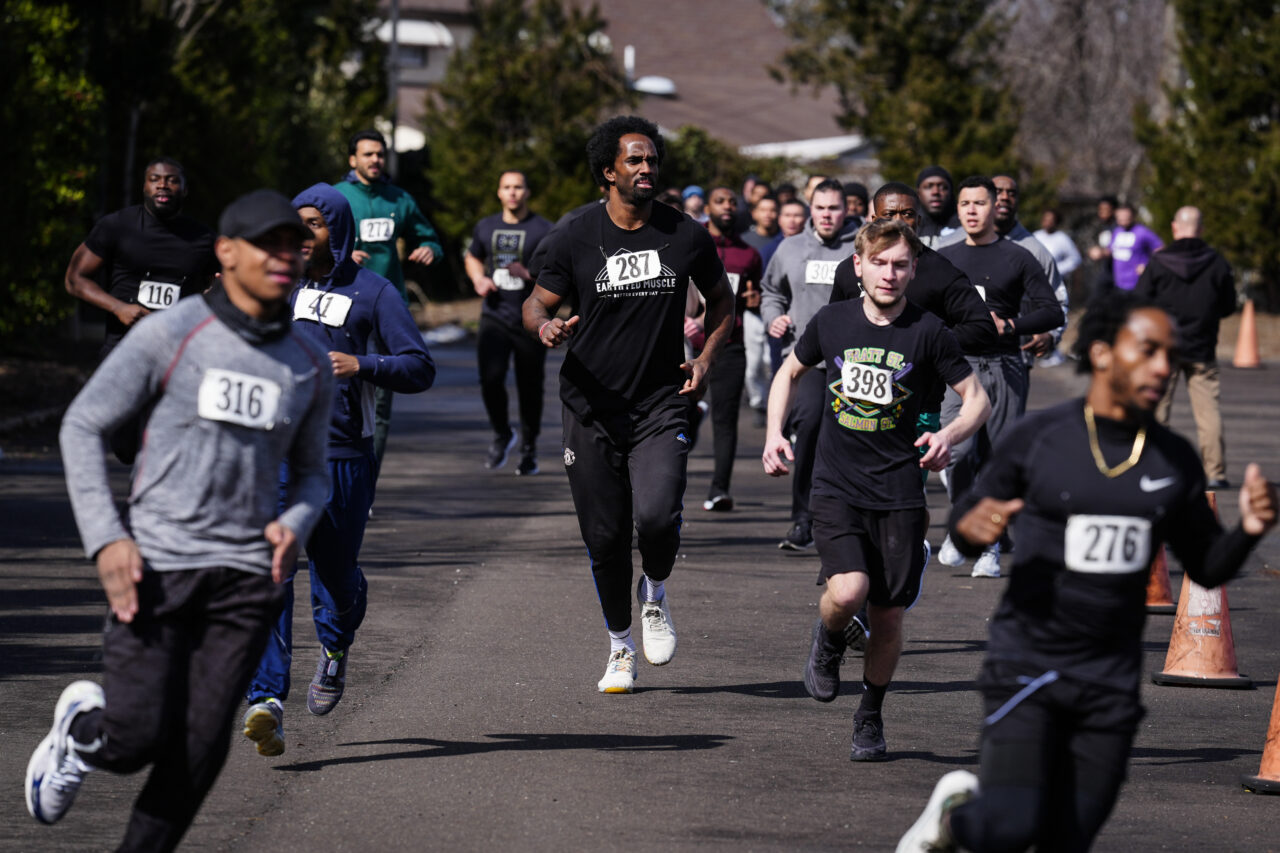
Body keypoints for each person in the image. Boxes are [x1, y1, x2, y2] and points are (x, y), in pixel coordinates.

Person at [898, 290, 1277, 853]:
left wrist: (1248, 528)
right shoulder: (1040, 439)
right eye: (1146, 350)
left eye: (1168, 354)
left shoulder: (1172, 459)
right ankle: (956, 821)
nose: (1161, 366)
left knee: (1067, 838)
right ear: (1101, 353)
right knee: (1011, 826)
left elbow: (1204, 565)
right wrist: (975, 527)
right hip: (1029, 662)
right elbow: (961, 528)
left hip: (1109, 678)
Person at [27, 189, 332, 850]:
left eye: (294, 244)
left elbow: (313, 472)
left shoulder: (307, 363)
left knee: (197, 751)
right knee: (137, 736)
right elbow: (82, 423)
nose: (287, 255)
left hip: (248, 579)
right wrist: (107, 538)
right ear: (226, 253)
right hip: (159, 564)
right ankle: (82, 731)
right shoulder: (174, 331)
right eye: (268, 244)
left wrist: (297, 521)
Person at [762, 219, 990, 761]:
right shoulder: (832, 320)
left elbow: (977, 398)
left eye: (901, 265)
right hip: (837, 484)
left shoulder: (929, 331)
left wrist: (949, 434)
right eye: (880, 263)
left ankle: (871, 713)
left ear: (914, 269)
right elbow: (788, 373)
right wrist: (774, 433)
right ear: (858, 265)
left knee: (888, 615)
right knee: (846, 591)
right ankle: (829, 637)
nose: (890, 274)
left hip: (901, 492)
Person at [523, 115, 734, 693]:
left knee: (657, 517)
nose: (647, 169)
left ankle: (656, 593)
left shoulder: (684, 233)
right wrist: (545, 329)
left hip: (661, 401)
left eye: (652, 160)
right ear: (607, 171)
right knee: (606, 538)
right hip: (590, 406)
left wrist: (707, 359)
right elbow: (535, 304)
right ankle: (620, 648)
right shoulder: (574, 235)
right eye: (635, 161)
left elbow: (723, 303)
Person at [241, 184, 435, 756]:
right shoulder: (276, 286)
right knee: (270, 574)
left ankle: (335, 645)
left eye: (312, 225)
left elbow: (418, 366)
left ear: (337, 230)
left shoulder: (373, 293)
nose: (300, 237)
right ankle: (266, 700)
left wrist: (363, 364)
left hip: (343, 456)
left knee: (335, 582)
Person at [936, 176, 1063, 578]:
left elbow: (1052, 312)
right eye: (965, 204)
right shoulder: (943, 255)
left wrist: (1012, 325)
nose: (971, 211)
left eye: (979, 203)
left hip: (1003, 368)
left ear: (995, 208)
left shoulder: (1019, 256)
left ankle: (988, 545)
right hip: (957, 368)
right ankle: (962, 526)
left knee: (994, 459)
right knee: (956, 453)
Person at [64, 156, 220, 463]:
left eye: (172, 180)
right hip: (125, 347)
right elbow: (75, 279)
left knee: (167, 439)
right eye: (155, 179)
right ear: (144, 186)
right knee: (125, 444)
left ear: (184, 189)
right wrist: (119, 307)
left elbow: (219, 285)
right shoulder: (117, 226)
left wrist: (212, 295)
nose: (164, 185)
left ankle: (154, 501)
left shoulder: (202, 238)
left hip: (178, 353)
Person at [333, 130, 442, 479]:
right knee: (338, 393)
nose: (375, 160)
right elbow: (310, 243)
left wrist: (430, 249)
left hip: (384, 308)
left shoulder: (399, 199)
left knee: (379, 406)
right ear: (353, 160)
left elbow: (429, 238)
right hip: (341, 307)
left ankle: (367, 484)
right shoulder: (336, 197)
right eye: (367, 154)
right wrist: (342, 254)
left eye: (379, 154)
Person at [761, 179, 859, 551]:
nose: (827, 215)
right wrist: (774, 316)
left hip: (852, 361)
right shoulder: (790, 247)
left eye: (834, 208)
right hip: (807, 361)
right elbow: (771, 290)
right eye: (820, 208)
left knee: (854, 437)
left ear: (845, 209)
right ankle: (803, 518)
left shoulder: (861, 245)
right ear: (810, 209)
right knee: (811, 425)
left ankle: (850, 517)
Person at [1136, 206, 1236, 489]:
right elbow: (1228, 305)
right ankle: (1215, 472)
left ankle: (1155, 467)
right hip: (1202, 346)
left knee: (1156, 409)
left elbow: (1139, 301)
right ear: (1201, 229)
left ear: (1175, 228)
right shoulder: (1216, 262)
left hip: (1163, 349)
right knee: (1208, 411)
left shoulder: (1159, 262)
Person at [465, 170, 554, 473]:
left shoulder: (544, 229)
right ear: (499, 192)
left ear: (527, 192)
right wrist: (479, 279)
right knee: (491, 379)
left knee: (530, 387)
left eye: (518, 187)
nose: (513, 192)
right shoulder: (486, 226)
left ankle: (529, 447)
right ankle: (503, 433)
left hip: (530, 318)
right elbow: (473, 256)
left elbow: (558, 273)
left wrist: (528, 276)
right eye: (507, 187)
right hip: (494, 315)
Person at [691, 186, 763, 510]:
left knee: (726, 418)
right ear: (708, 207)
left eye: (733, 202)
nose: (728, 207)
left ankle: (719, 489)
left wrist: (755, 302)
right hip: (684, 346)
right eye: (720, 201)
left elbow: (755, 297)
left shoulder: (748, 255)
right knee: (674, 416)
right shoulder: (690, 244)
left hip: (729, 346)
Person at [1098, 202, 1162, 292]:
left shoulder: (1143, 232)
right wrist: (1100, 253)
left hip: (1138, 284)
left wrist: (1149, 266)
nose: (1123, 220)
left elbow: (1160, 249)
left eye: (1126, 217)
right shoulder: (1117, 231)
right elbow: (1111, 249)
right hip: (1119, 283)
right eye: (1120, 217)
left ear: (1132, 216)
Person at [1033, 209, 1082, 285]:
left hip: (1056, 282)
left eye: (1051, 220)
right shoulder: (1035, 236)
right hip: (1036, 280)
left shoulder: (1062, 238)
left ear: (1056, 222)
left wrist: (1057, 269)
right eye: (1045, 219)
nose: (1047, 222)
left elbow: (1075, 259)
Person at [915, 165, 960, 248]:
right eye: (928, 186)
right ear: (918, 193)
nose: (935, 192)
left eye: (942, 187)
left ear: (951, 192)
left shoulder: (964, 226)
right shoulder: (908, 227)